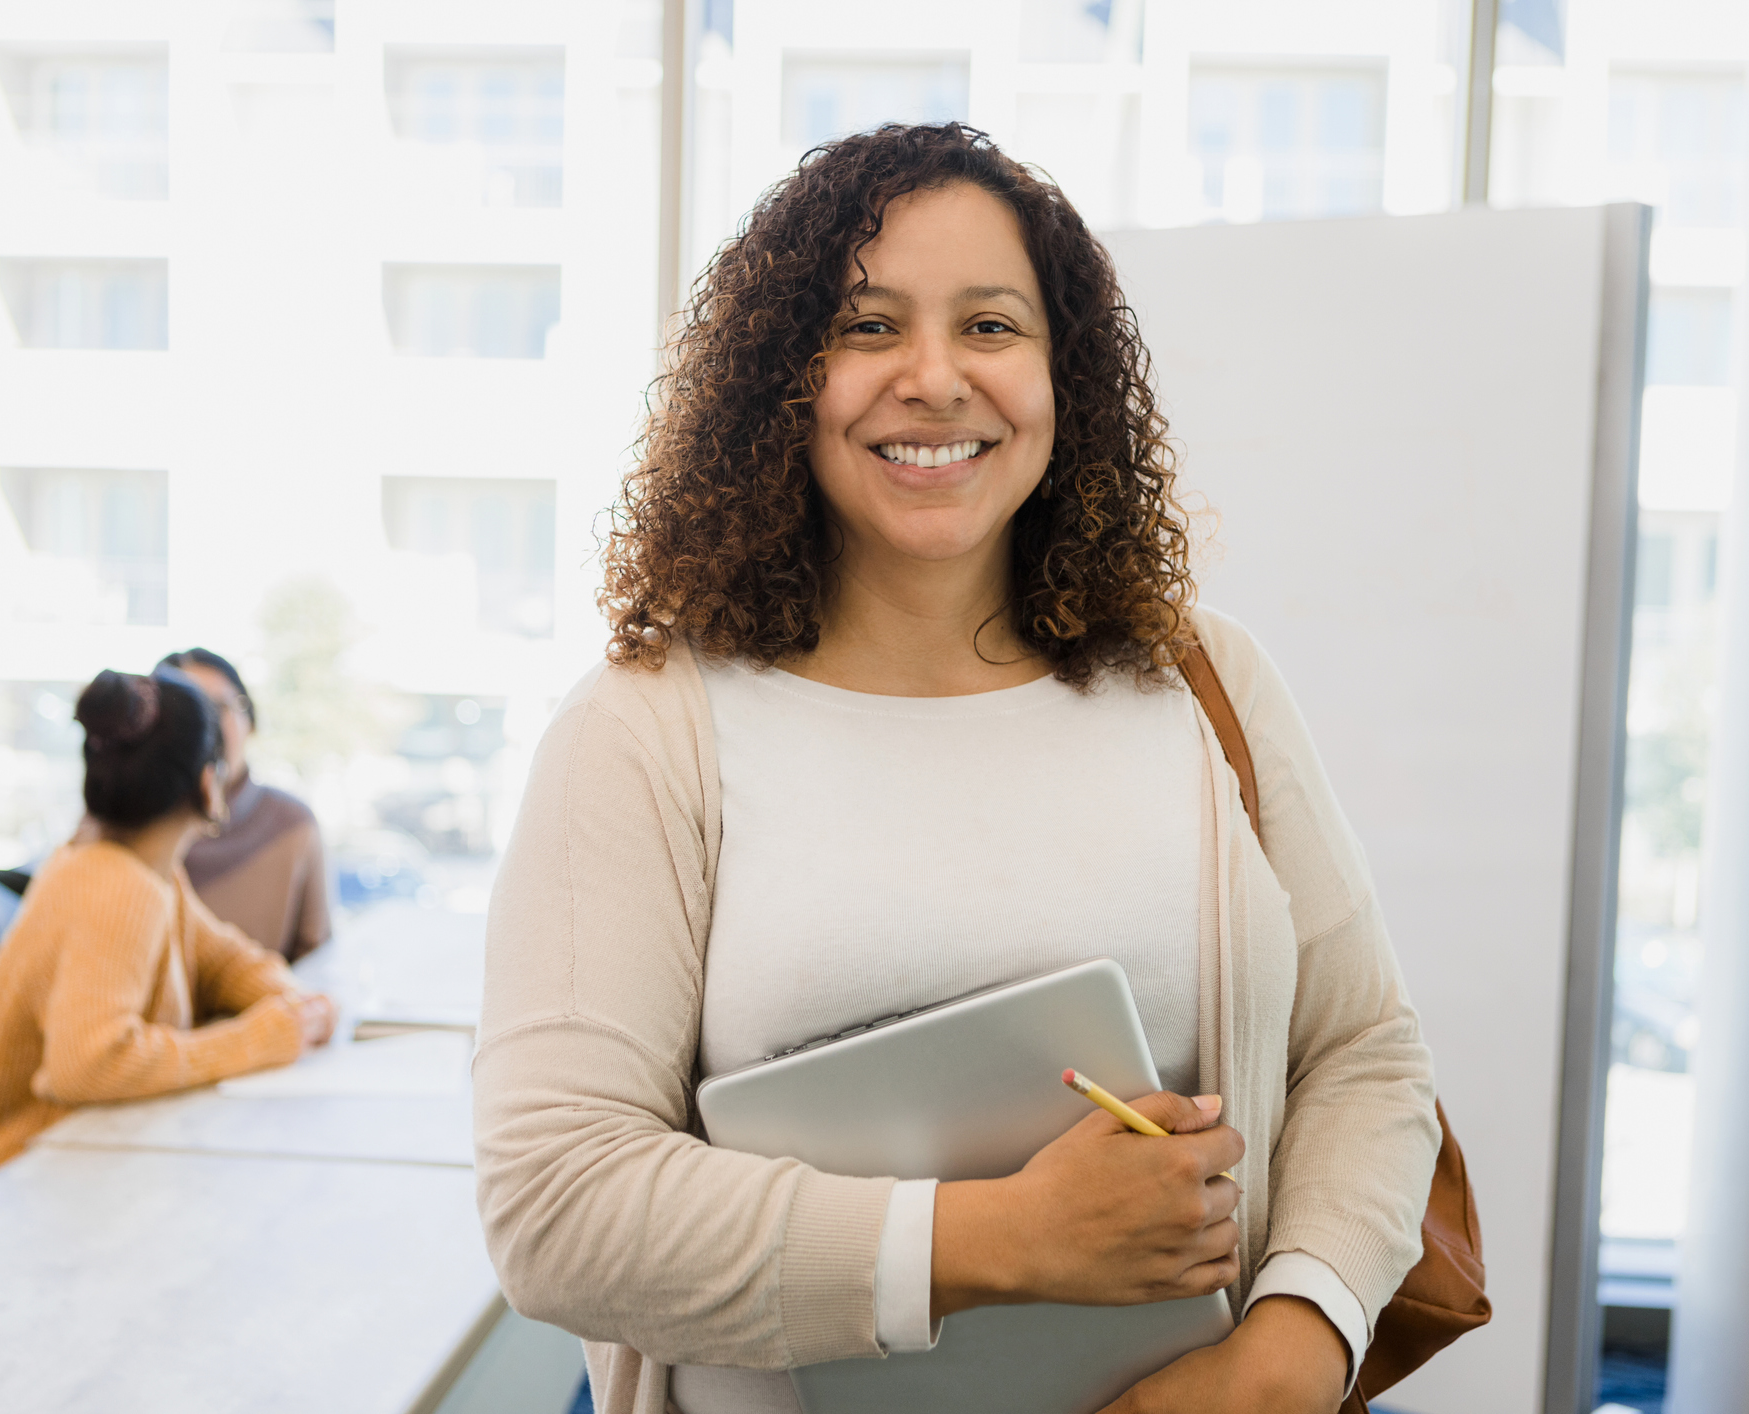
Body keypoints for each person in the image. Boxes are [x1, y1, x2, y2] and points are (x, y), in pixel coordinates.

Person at [473, 123, 1438, 1414]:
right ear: (780, 378)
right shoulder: (647, 728)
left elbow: (1362, 1054)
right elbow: (556, 1203)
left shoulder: (1201, 677)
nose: (934, 378)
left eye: (991, 326)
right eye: (867, 327)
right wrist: (1002, 1240)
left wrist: (1292, 1344)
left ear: (1064, 378)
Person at [0, 669, 338, 1190]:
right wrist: (253, 1042)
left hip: (81, 1161)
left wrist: (292, 1005)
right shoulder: (115, 887)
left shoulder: (145, 871)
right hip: (14, 1183)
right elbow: (87, 1064)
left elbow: (224, 961)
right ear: (207, 782)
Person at [157, 647, 332, 962]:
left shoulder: (293, 825)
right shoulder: (123, 828)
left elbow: (318, 961)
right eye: (189, 710)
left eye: (219, 706)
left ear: (249, 722)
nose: (206, 726)